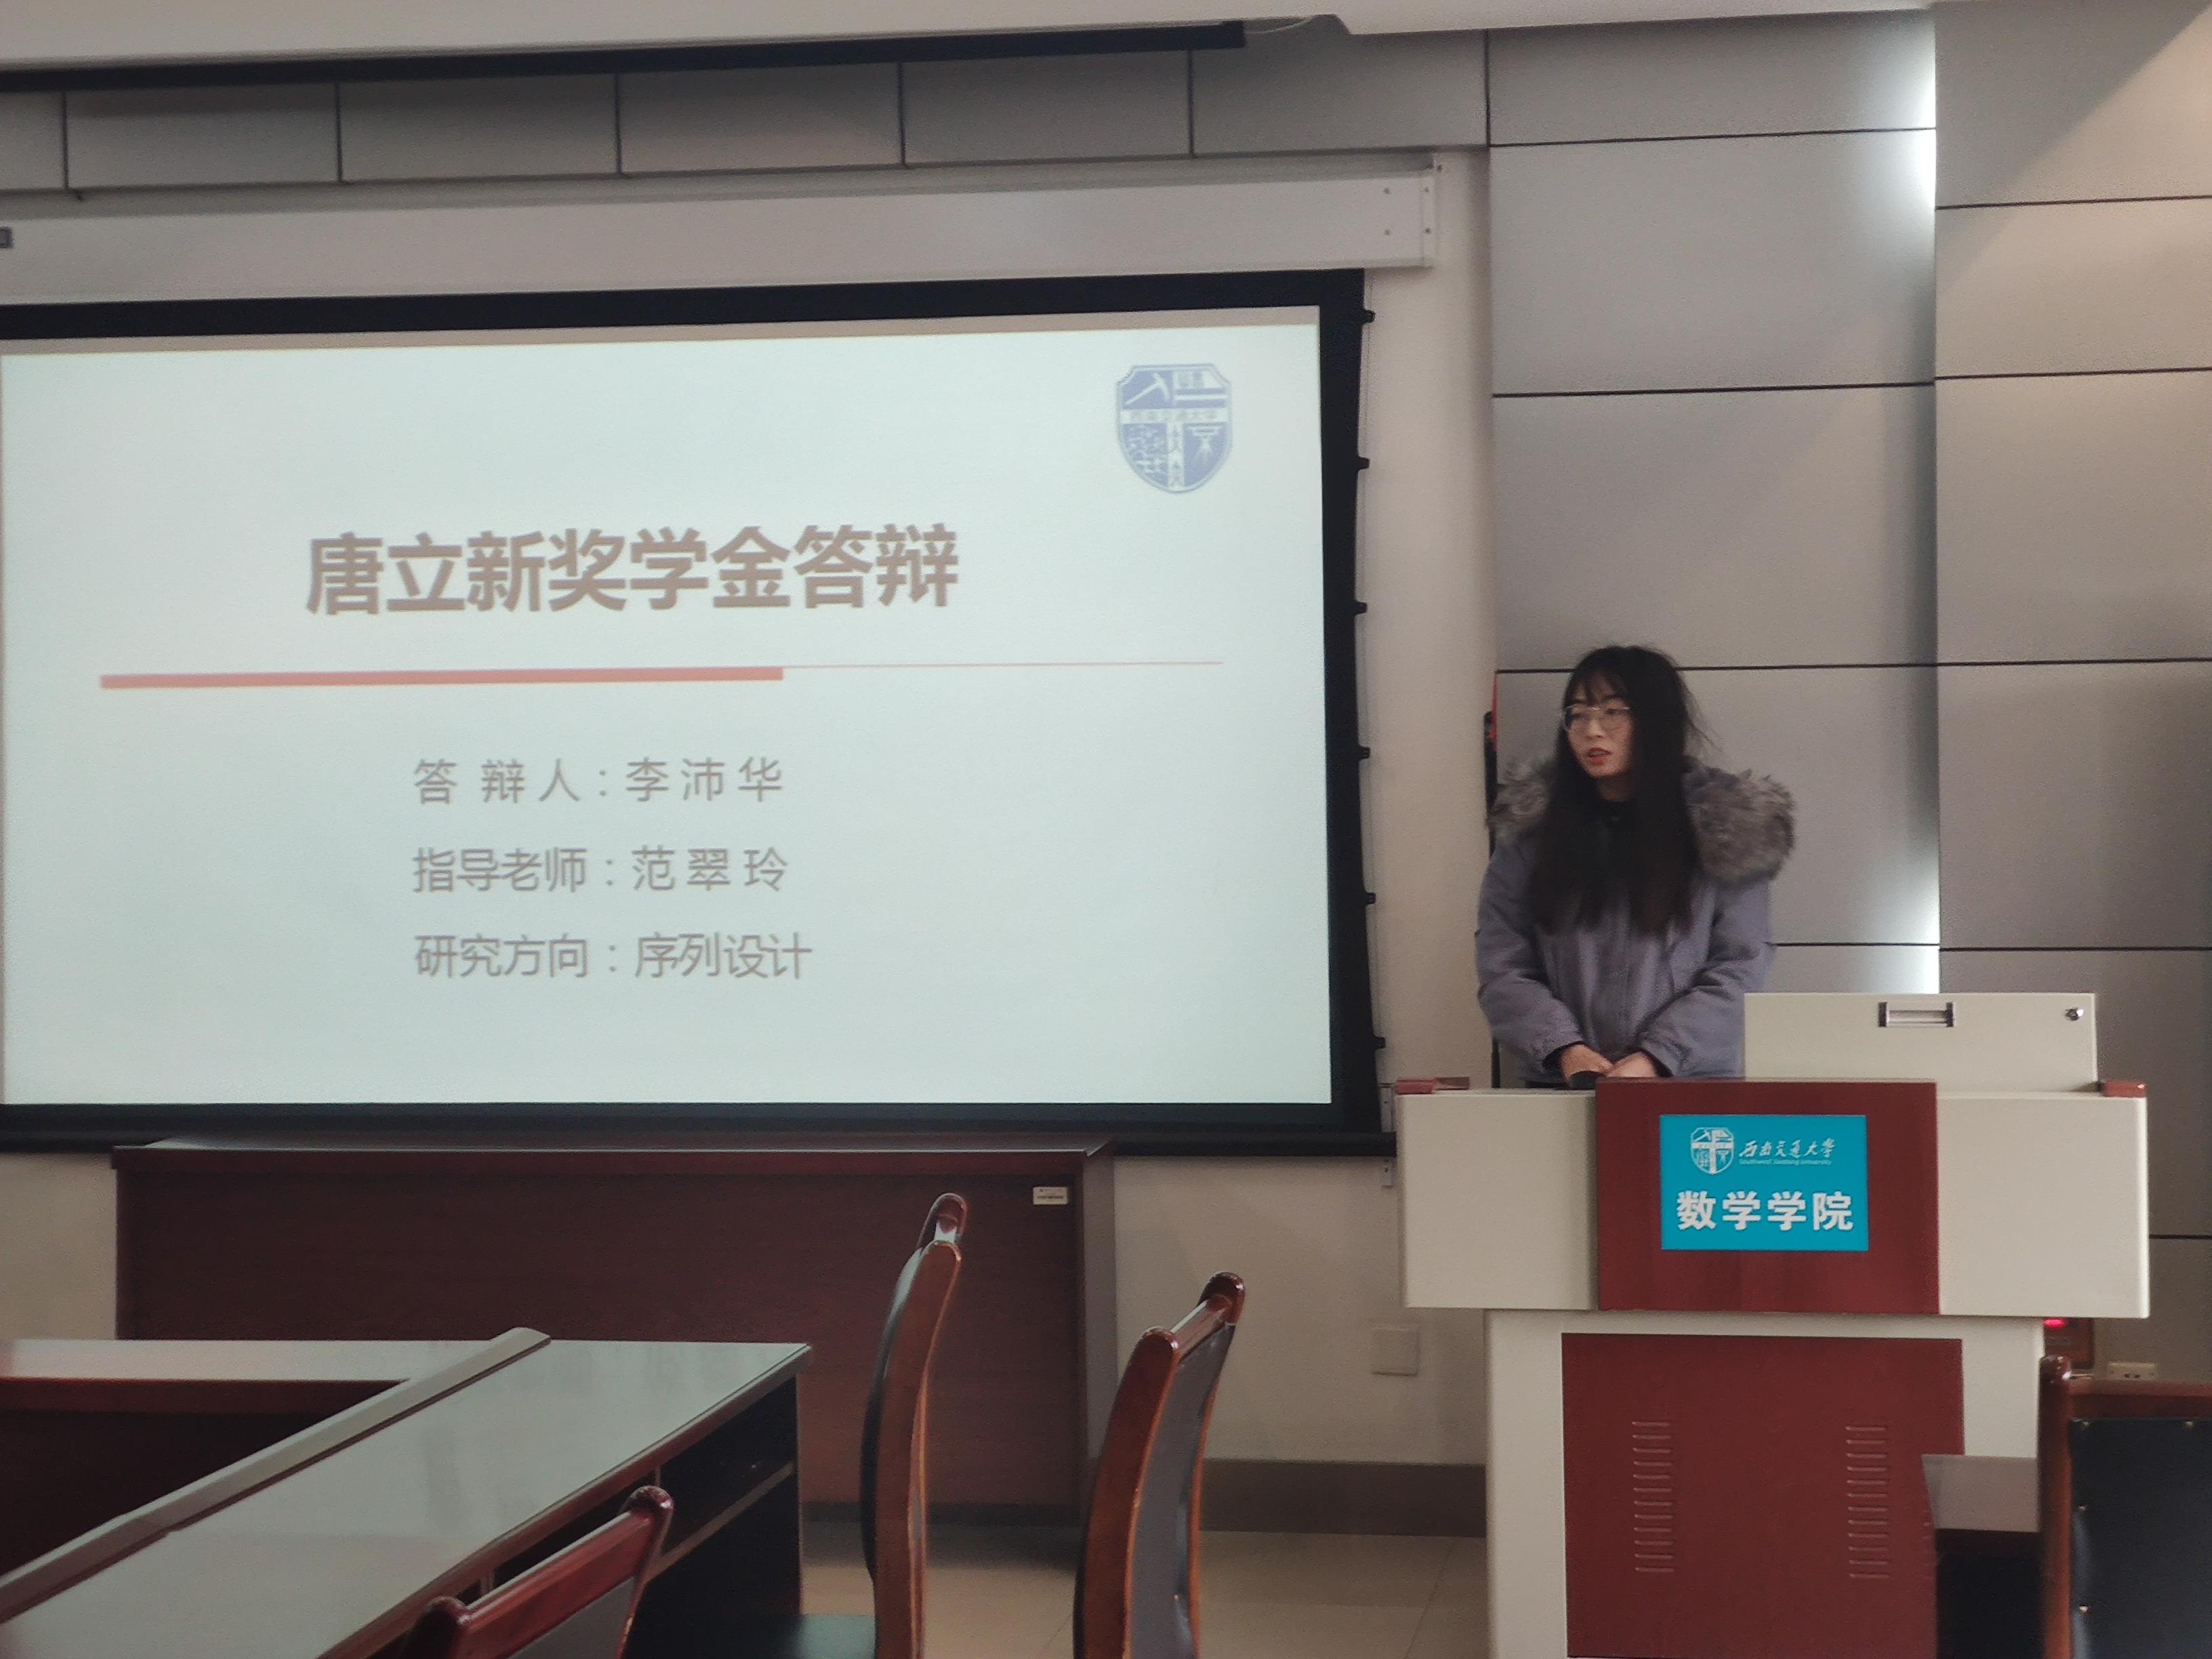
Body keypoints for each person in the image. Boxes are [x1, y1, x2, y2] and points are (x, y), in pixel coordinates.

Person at [1477, 644, 1794, 1084]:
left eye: (1613, 712)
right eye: (1578, 714)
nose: (1592, 730)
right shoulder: (1532, 834)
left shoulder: (1726, 830)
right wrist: (1564, 1049)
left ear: (1656, 720)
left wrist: (1656, 1057)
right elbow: (1503, 962)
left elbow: (1740, 965)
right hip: (1563, 1083)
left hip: (1687, 1084)